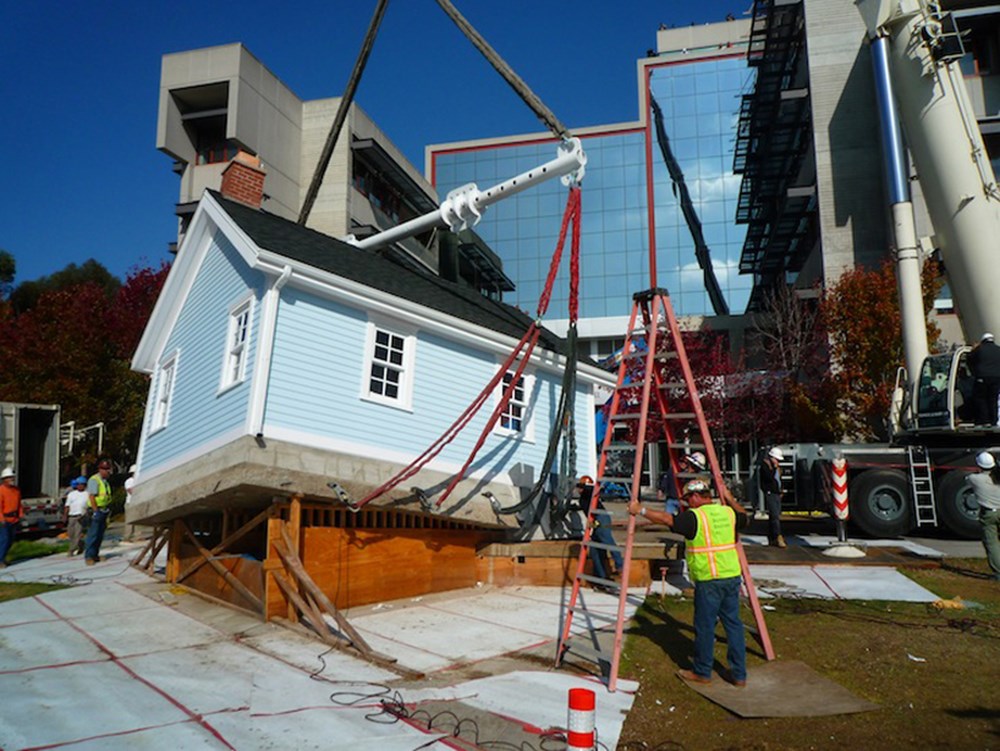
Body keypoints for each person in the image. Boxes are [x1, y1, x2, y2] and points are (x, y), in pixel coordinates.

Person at [628, 478, 749, 686]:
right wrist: (729, 498)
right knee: (734, 625)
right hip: (731, 576)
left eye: (687, 499)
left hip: (709, 578)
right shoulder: (728, 513)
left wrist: (640, 510)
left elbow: (667, 519)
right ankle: (739, 675)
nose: (686, 503)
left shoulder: (695, 517)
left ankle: (702, 671)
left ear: (695, 497)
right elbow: (745, 517)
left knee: (705, 626)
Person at [578, 476, 623, 588]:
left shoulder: (589, 494)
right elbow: (590, 516)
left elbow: (592, 491)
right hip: (596, 520)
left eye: (581, 487)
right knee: (595, 550)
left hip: (601, 518)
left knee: (607, 540)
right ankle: (601, 579)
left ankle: (620, 565)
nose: (578, 490)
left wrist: (588, 487)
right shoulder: (582, 500)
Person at [967, 451, 1000, 582]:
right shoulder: (997, 477)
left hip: (989, 513)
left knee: (992, 543)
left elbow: (967, 480)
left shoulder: (975, 479)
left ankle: (999, 572)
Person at [83, 460, 113, 566]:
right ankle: (89, 556)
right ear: (100, 469)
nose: (107, 472)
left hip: (104, 509)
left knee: (100, 534)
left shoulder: (105, 481)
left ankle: (95, 554)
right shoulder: (94, 480)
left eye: (108, 469)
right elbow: (92, 497)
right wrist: (96, 511)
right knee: (93, 534)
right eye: (105, 469)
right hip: (96, 510)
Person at [967, 333, 1000, 426]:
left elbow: (969, 359)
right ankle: (994, 420)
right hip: (997, 379)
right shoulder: (998, 349)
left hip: (982, 377)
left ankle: (984, 420)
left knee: (981, 398)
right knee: (993, 399)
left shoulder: (979, 349)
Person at [759, 447, 786, 548]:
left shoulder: (777, 468)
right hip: (770, 492)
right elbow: (769, 478)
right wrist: (774, 468)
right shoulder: (765, 466)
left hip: (776, 492)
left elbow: (779, 479)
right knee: (775, 516)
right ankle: (777, 536)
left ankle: (771, 538)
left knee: (775, 516)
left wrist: (781, 489)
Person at [0, 467, 23, 568]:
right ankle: (0, 560)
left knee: (10, 540)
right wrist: (2, 519)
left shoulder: (16, 490)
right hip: (4, 519)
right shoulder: (1, 490)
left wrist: (20, 515)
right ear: (4, 479)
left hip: (14, 519)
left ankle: (3, 558)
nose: (11, 480)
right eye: (9, 478)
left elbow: (19, 504)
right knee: (4, 539)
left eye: (12, 477)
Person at [63, 476, 90, 557]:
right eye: (79, 484)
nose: (80, 486)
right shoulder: (71, 494)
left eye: (82, 484)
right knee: (71, 534)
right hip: (72, 516)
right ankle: (80, 544)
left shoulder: (87, 494)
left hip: (81, 516)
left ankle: (71, 550)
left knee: (77, 533)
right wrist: (65, 515)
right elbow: (67, 506)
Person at [124, 464, 137, 541]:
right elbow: (130, 491)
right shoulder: (129, 481)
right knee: (129, 520)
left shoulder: (138, 480)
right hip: (130, 503)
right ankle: (127, 537)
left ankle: (137, 536)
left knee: (137, 519)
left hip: (136, 502)